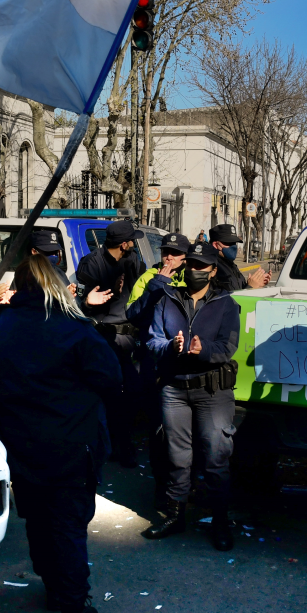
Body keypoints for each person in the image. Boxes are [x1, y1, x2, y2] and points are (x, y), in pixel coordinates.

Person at [0, 254, 121, 613]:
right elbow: (111, 379)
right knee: (68, 526)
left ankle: (55, 587)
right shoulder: (74, 329)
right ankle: (73, 609)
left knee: (38, 519)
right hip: (71, 442)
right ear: (55, 284)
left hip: (21, 440)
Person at [143, 241, 241, 551]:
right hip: (174, 390)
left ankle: (220, 522)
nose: (194, 270)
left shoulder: (226, 303)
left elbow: (228, 347)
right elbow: (152, 341)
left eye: (201, 266)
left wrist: (204, 350)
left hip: (212, 390)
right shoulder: (167, 298)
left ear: (213, 270)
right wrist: (170, 347)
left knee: (216, 459)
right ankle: (175, 515)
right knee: (177, 457)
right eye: (192, 264)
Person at [126, 231, 190, 506]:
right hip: (154, 359)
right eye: (165, 252)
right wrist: (157, 283)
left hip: (188, 362)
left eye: (175, 254)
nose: (169, 258)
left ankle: (187, 487)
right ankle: (162, 489)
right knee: (158, 428)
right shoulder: (148, 277)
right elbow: (133, 313)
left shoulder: (193, 276)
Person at [76, 220, 147, 466]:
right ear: (124, 243)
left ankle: (122, 445)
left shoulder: (133, 261)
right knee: (107, 395)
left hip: (129, 338)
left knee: (131, 393)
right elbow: (84, 300)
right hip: (102, 337)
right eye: (132, 241)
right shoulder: (92, 263)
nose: (134, 245)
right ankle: (109, 447)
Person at [208, 222, 269, 291]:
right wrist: (249, 288)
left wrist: (256, 285)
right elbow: (222, 299)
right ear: (216, 245)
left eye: (234, 243)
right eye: (229, 243)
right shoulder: (211, 267)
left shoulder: (230, 264)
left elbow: (238, 289)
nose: (233, 246)